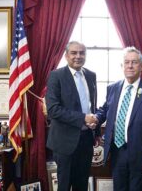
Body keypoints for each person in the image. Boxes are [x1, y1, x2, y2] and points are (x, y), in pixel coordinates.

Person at [95, 47, 142, 191]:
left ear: (141, 66)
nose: (130, 65)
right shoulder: (112, 88)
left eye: (134, 62)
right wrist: (96, 118)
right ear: (122, 66)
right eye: (126, 62)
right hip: (117, 152)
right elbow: (105, 109)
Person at [45, 41, 99, 191]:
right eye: (74, 53)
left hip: (86, 139)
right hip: (64, 142)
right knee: (64, 184)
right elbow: (53, 110)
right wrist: (83, 118)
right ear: (66, 56)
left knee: (81, 184)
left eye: (82, 53)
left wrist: (96, 130)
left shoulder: (91, 75)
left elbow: (91, 106)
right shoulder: (56, 76)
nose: (78, 56)